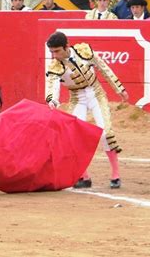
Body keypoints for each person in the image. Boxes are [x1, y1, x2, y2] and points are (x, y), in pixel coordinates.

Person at [45, 31, 128, 189]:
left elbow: (103, 67)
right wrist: (52, 100)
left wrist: (119, 88)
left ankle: (115, 174)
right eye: (52, 52)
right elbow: (52, 85)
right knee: (75, 137)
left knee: (106, 133)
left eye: (57, 51)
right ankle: (84, 176)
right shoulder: (55, 66)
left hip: (96, 93)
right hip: (77, 99)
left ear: (66, 46)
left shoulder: (83, 51)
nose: (54, 55)